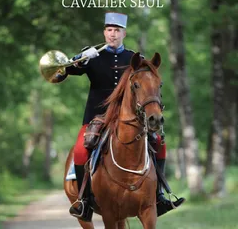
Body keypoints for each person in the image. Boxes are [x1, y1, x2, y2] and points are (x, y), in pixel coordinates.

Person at [59, 12, 185, 221]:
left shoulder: (134, 59)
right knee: (81, 150)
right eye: (109, 30)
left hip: (131, 118)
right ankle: (84, 201)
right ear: (104, 32)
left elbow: (148, 83)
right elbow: (62, 73)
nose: (112, 34)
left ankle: (159, 196)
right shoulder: (92, 57)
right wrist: (77, 59)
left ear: (124, 33)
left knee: (159, 142)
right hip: (96, 116)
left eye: (117, 30)